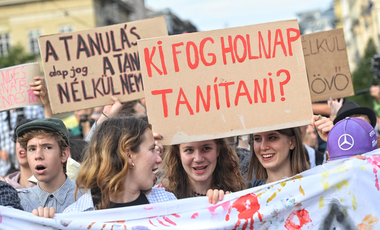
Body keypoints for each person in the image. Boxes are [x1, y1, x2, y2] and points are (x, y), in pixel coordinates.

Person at [64, 117, 177, 212]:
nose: (159, 159)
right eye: (152, 149)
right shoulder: (75, 217)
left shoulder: (167, 203)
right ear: (128, 156)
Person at [16, 118, 80, 215]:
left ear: (64, 154)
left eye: (47, 147)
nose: (38, 155)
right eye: (32, 149)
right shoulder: (18, 202)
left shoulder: (88, 197)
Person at [160, 138, 246, 200]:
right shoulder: (164, 198)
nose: (198, 159)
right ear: (178, 153)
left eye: (206, 148)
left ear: (218, 150)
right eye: (189, 150)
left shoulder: (238, 195)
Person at [0, 76, 51, 177]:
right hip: (6, 170)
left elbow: (48, 131)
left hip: (35, 169)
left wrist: (46, 103)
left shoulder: (34, 107)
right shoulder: (1, 113)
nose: (21, 144)